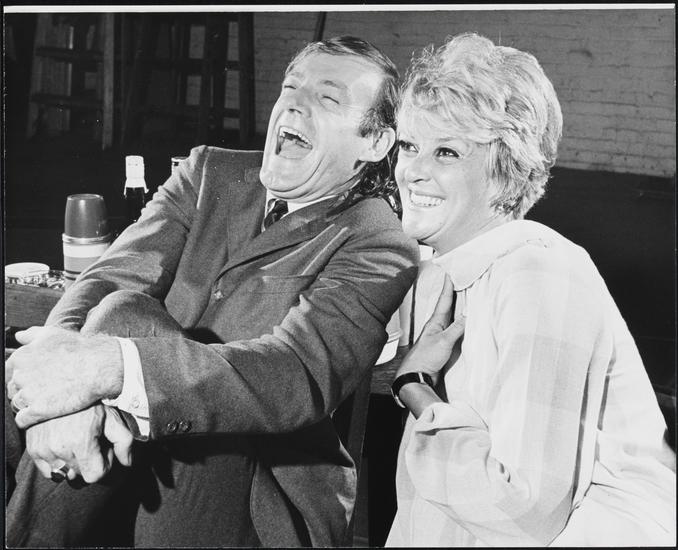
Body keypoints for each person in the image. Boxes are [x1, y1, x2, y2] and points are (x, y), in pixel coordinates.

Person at [5, 35, 419, 547]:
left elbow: (296, 375)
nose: (294, 104)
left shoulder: (378, 241)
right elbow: (108, 277)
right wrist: (58, 376)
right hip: (131, 449)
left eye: (328, 98)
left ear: (375, 144)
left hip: (255, 483)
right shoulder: (209, 172)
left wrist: (106, 367)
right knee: (99, 321)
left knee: (125, 317)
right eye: (291, 87)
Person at [385, 33, 676, 547]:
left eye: (446, 151)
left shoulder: (537, 270)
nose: (413, 171)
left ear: (504, 172)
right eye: (409, 145)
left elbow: (522, 511)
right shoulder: (445, 271)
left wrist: (413, 384)